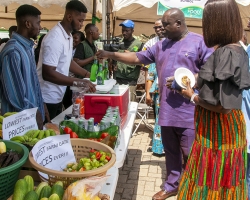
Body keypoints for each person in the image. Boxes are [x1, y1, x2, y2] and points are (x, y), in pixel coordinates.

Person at [96, 8, 213, 200]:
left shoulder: (199, 42)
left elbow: (209, 72)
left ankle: (195, 189)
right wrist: (110, 54)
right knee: (171, 152)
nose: (161, 27)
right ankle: (172, 186)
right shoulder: (160, 45)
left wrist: (188, 79)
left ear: (179, 24)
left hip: (189, 110)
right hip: (167, 110)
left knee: (191, 152)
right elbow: (136, 58)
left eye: (166, 24)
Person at [177, 0, 250, 199]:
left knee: (212, 180)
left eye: (206, 19)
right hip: (222, 131)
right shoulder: (234, 49)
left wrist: (191, 96)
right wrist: (189, 81)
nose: (204, 25)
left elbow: (223, 107)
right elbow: (214, 82)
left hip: (219, 133)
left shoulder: (226, 53)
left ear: (216, 22)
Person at [37, 0, 96, 120]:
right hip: (47, 97)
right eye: (80, 20)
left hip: (58, 95)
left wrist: (86, 74)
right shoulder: (55, 38)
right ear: (69, 17)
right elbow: (48, 73)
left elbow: (68, 62)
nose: (82, 24)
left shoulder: (68, 36)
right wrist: (77, 82)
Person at [0, 5, 45, 129]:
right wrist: (36, 114)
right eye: (38, 23)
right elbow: (16, 96)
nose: (40, 27)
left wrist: (42, 107)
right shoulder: (13, 51)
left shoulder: (27, 48)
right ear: (28, 24)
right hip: (19, 124)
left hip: (29, 121)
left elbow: (33, 84)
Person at [144, 18, 165, 156]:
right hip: (159, 91)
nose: (159, 30)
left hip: (175, 92)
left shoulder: (178, 45)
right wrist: (147, 93)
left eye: (161, 27)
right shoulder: (154, 47)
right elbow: (150, 74)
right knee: (160, 119)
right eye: (156, 27)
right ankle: (158, 148)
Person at [115, 19, 143, 102]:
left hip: (131, 80)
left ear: (132, 31)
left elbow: (143, 62)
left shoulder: (139, 44)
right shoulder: (118, 43)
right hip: (118, 78)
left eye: (127, 31)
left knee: (130, 104)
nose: (124, 33)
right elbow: (114, 56)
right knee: (118, 103)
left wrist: (131, 55)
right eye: (123, 30)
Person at [62, 30, 85, 109]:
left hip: (73, 79)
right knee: (66, 101)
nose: (73, 40)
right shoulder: (68, 48)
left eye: (76, 38)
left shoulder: (79, 50)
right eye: (72, 38)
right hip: (65, 79)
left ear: (81, 41)